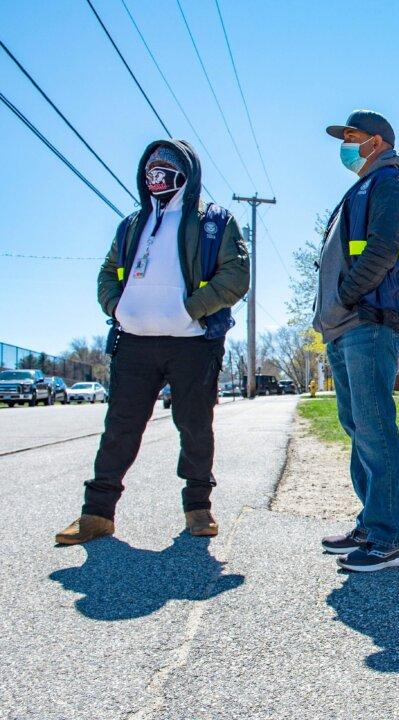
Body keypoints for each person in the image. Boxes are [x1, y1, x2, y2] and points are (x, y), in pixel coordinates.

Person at [56, 140, 249, 545]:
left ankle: (199, 509)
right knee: (119, 427)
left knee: (195, 426)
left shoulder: (214, 221)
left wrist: (188, 310)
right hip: (134, 343)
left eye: (166, 164)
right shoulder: (131, 224)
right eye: (151, 166)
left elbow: (236, 277)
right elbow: (108, 272)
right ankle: (97, 515)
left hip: (193, 343)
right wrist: (118, 308)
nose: (156, 172)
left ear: (187, 171)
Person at [315, 109, 399, 572]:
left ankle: (388, 537)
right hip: (343, 326)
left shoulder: (390, 184)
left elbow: (381, 251)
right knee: (358, 427)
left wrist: (346, 296)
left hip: (370, 321)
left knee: (375, 426)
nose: (345, 144)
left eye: (352, 137)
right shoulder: (358, 188)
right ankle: (371, 522)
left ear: (376, 141)